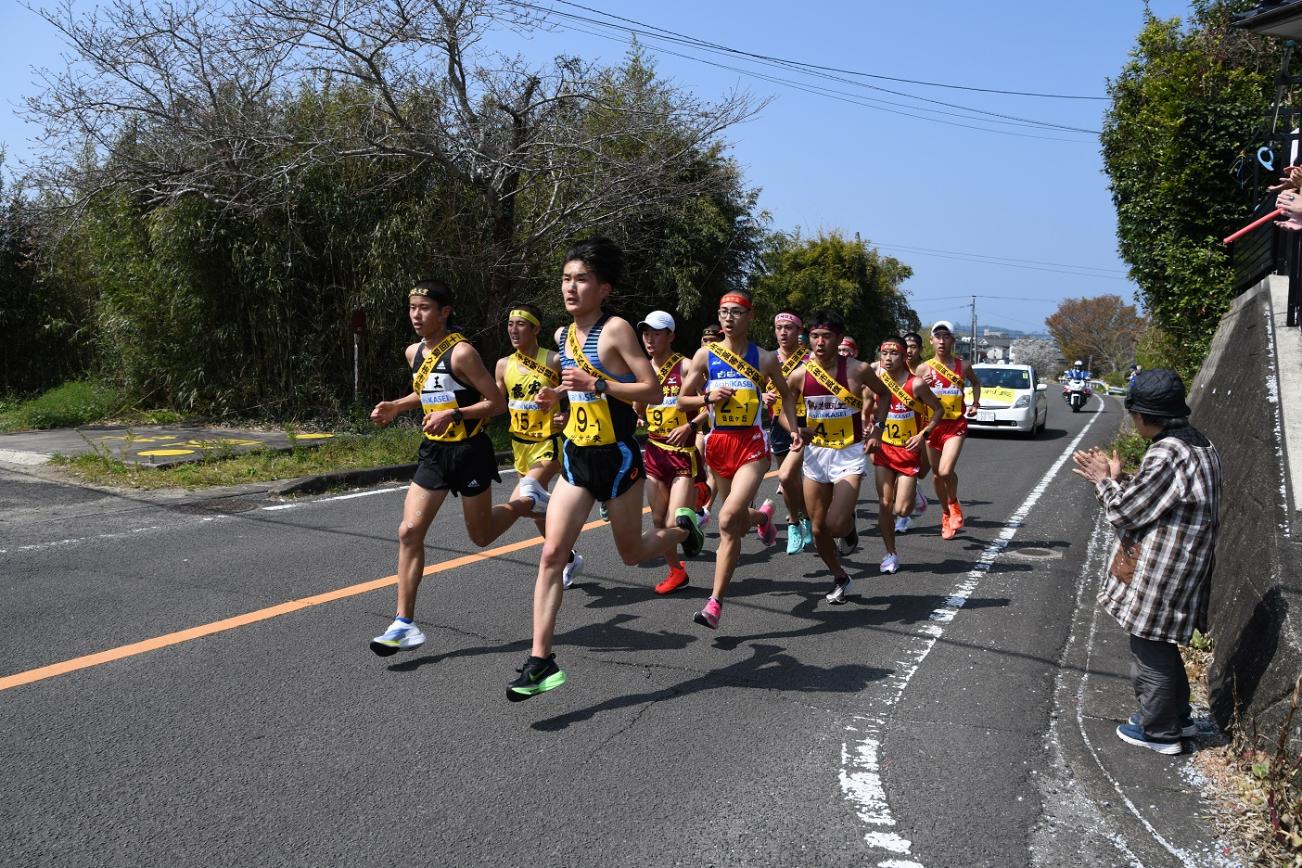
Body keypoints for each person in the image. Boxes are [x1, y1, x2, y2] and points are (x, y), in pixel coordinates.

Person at [509, 238, 703, 700]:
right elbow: (572, 384)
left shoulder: (615, 330)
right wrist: (558, 396)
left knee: (633, 554)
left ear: (603, 288)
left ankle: (683, 530)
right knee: (552, 554)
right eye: (565, 278)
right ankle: (541, 662)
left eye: (581, 280)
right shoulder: (561, 335)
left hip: (616, 460)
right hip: (577, 456)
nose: (570, 288)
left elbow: (652, 391)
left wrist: (597, 382)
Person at [367, 280, 535, 656]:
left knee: (481, 535)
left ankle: (528, 502)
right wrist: (397, 405)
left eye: (425, 308)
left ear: (445, 312)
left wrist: (454, 413)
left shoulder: (463, 353)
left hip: (470, 451)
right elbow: (426, 391)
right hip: (434, 453)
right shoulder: (413, 352)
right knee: (409, 530)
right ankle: (404, 624)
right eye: (412, 307)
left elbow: (496, 403)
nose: (416, 315)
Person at [1072, 369, 1220, 754]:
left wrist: (1104, 481)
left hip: (1164, 566)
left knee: (1148, 644)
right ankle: (1179, 718)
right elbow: (1158, 496)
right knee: (1162, 640)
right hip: (1187, 561)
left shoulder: (1168, 451)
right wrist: (1121, 479)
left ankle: (1159, 732)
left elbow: (1126, 512)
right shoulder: (1198, 443)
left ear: (1142, 415)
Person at [681, 288, 802, 629]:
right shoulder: (705, 356)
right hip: (718, 444)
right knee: (735, 517)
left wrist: (792, 429)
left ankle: (714, 602)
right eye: (724, 312)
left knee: (726, 519)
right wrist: (708, 395)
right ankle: (762, 519)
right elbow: (681, 400)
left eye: (736, 312)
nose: (729, 318)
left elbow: (787, 397)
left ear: (750, 317)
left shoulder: (764, 358)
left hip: (751, 445)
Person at [789, 311, 889, 603]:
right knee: (818, 529)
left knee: (834, 525)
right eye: (815, 336)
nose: (819, 343)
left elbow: (885, 395)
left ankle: (848, 528)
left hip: (848, 453)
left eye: (827, 337)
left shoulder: (857, 370)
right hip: (816, 455)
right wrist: (796, 429)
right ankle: (840, 576)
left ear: (838, 339)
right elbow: (784, 406)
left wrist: (877, 430)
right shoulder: (799, 374)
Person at [494, 304, 583, 589]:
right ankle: (567, 555)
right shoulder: (503, 365)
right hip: (519, 446)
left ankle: (558, 555)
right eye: (510, 324)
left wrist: (568, 415)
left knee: (525, 497)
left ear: (536, 329)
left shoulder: (554, 360)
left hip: (548, 443)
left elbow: (581, 389)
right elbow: (495, 404)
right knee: (535, 510)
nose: (514, 330)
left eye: (521, 324)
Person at [636, 310, 710, 595]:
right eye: (646, 333)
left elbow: (709, 405)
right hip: (654, 451)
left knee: (672, 522)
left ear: (671, 336)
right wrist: (637, 412)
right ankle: (677, 572)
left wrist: (690, 425)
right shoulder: (642, 368)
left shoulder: (687, 366)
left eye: (656, 333)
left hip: (682, 454)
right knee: (656, 521)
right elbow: (639, 405)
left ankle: (693, 527)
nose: (650, 339)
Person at [869, 336, 943, 576]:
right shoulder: (877, 381)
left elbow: (938, 409)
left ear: (904, 357)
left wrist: (923, 434)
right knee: (884, 504)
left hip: (909, 450)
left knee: (901, 510)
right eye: (884, 353)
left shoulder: (917, 384)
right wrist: (870, 425)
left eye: (894, 354)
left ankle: (915, 496)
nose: (888, 358)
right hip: (884, 450)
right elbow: (867, 405)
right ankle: (890, 553)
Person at [917, 320, 982, 540]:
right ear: (931, 340)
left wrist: (974, 403)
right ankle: (945, 514)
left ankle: (954, 504)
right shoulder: (923, 368)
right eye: (938, 337)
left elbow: (975, 383)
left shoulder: (962, 366)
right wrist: (921, 386)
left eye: (946, 337)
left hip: (955, 425)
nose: (942, 341)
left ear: (953, 340)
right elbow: (913, 398)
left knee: (945, 471)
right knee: (936, 475)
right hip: (932, 426)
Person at [762, 309, 812, 555]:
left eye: (789, 327)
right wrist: (762, 395)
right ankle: (796, 520)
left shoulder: (811, 359)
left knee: (810, 478)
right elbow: (751, 386)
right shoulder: (767, 359)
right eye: (779, 327)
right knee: (789, 479)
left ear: (799, 331)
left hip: (811, 422)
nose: (783, 332)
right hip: (781, 422)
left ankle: (807, 519)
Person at [894, 331, 933, 533]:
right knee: (896, 472)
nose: (909, 351)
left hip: (924, 427)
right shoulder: (892, 368)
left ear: (920, 350)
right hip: (898, 430)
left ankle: (915, 493)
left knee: (922, 471)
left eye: (913, 347)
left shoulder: (926, 370)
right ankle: (903, 517)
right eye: (906, 346)